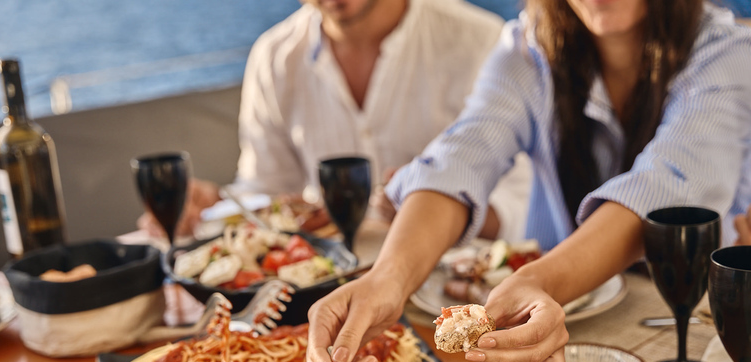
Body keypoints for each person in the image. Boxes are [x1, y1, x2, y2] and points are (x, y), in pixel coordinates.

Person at [304, 0, 751, 362]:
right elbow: (464, 153)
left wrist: (539, 283)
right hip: (552, 327)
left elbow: (666, 186)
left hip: (700, 336)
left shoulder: (726, 51)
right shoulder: (527, 46)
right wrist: (389, 278)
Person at [139, 0, 533, 243]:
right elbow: (269, 190)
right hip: (330, 297)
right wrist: (218, 206)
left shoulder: (481, 41)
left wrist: (432, 210)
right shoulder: (273, 56)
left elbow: (526, 203)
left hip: (460, 298)